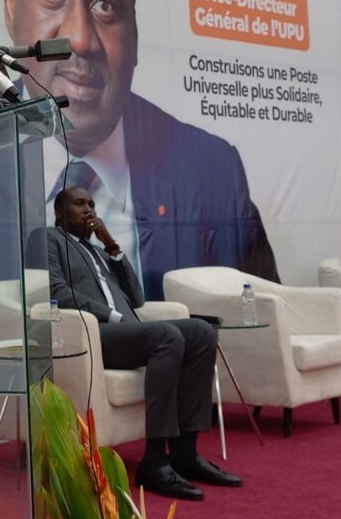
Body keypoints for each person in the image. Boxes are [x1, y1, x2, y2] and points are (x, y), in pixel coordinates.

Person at [3, 0, 278, 299]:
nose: (80, 39)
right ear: (13, 5)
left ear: (133, 28)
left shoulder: (213, 171)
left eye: (104, 4)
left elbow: (263, 321)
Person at [47, 185, 242, 500]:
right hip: (94, 333)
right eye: (79, 204)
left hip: (128, 332)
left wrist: (112, 246)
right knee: (166, 336)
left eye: (92, 204)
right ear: (59, 211)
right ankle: (154, 461)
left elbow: (136, 298)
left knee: (201, 332)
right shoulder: (48, 239)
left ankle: (185, 453)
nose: (89, 210)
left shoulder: (99, 252)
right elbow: (55, 290)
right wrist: (113, 317)